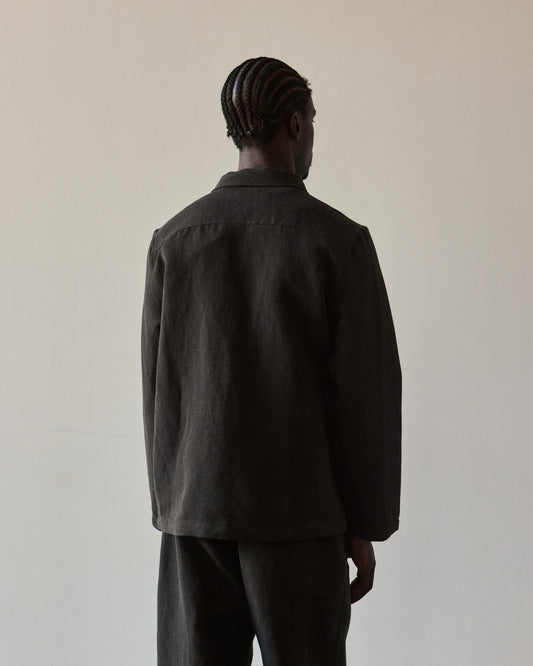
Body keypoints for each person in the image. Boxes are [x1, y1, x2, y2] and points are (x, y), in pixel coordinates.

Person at [141, 56, 402, 666]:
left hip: (196, 515)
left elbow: (157, 389)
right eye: (312, 120)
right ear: (295, 123)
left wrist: (173, 504)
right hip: (302, 519)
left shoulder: (174, 240)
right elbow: (366, 394)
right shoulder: (339, 241)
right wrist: (365, 523)